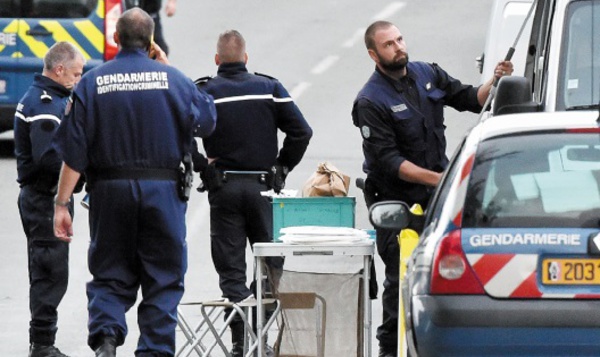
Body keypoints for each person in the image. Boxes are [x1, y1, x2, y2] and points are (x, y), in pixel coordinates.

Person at [52, 8, 216, 357]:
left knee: (110, 272)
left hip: (109, 193)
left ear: (116, 39)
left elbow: (74, 154)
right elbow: (207, 120)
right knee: (163, 276)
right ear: (152, 40)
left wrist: (61, 204)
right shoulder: (173, 80)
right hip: (163, 194)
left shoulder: (92, 83)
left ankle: (107, 338)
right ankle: (154, 351)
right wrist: (168, 68)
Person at [352, 20, 513, 357]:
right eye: (389, 44)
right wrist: (441, 179)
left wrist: (495, 81)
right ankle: (389, 349)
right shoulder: (370, 101)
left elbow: (470, 98)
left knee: (447, 272)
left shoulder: (427, 74)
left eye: (399, 39)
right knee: (400, 282)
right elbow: (390, 162)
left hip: (437, 200)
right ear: (373, 54)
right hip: (396, 206)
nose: (398, 47)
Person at [193, 30, 312, 357]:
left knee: (231, 271)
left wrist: (203, 166)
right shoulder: (269, 88)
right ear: (246, 58)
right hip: (263, 191)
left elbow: (179, 131)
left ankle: (238, 344)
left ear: (217, 60)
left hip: (225, 189)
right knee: (274, 267)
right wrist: (282, 167)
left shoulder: (204, 92)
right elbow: (302, 131)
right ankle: (260, 329)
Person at [14, 41, 85, 357]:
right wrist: (79, 172)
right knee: (49, 272)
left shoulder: (55, 97)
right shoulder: (45, 104)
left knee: (52, 271)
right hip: (45, 199)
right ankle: (42, 345)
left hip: (47, 198)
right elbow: (49, 160)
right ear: (59, 70)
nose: (78, 79)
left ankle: (42, 342)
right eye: (75, 73)